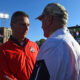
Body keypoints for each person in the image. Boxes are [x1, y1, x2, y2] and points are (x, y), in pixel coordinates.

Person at [29, 3, 80, 80]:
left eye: (42, 21)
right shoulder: (75, 44)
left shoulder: (52, 43)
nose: (41, 26)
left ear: (49, 19)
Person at [0, 11, 39, 80]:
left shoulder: (34, 46)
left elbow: (39, 69)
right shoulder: (2, 50)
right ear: (12, 25)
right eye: (23, 24)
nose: (27, 28)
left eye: (28, 25)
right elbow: (5, 76)